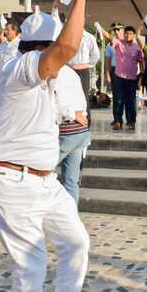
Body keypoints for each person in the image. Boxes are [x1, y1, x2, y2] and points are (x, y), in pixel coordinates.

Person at [0, 0, 89, 292]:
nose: (63, 58)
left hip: (43, 180)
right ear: (40, 49)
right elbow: (67, 47)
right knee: (32, 264)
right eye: (55, 51)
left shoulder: (45, 80)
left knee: (76, 243)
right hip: (12, 182)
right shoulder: (21, 67)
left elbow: (15, 120)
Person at [56, 67, 90, 203]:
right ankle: (71, 218)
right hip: (80, 131)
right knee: (71, 181)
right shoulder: (71, 73)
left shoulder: (53, 72)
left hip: (65, 130)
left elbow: (56, 102)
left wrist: (72, 114)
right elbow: (82, 100)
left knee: (40, 174)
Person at [110, 26, 144, 130]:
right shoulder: (119, 43)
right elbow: (110, 38)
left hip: (132, 78)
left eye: (130, 34)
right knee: (118, 100)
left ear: (133, 35)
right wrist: (100, 28)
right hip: (119, 77)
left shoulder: (137, 48)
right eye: (126, 33)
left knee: (131, 101)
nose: (127, 35)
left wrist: (141, 75)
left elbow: (141, 61)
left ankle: (131, 122)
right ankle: (117, 121)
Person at [104, 22, 123, 126]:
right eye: (114, 30)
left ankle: (129, 119)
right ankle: (117, 119)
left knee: (126, 96)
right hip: (115, 71)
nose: (116, 32)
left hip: (126, 72)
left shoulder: (127, 43)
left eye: (118, 29)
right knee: (116, 96)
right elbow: (107, 62)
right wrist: (107, 74)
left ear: (122, 30)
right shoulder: (110, 46)